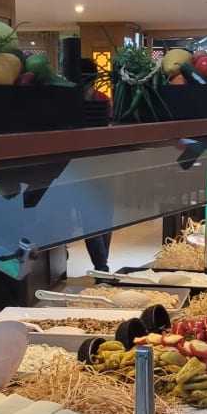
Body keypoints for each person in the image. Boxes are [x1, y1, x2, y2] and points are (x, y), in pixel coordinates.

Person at [80, 58, 113, 271]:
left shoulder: (102, 99)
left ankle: (102, 265)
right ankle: (101, 265)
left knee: (96, 217)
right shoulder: (103, 99)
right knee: (98, 217)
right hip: (96, 165)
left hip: (93, 165)